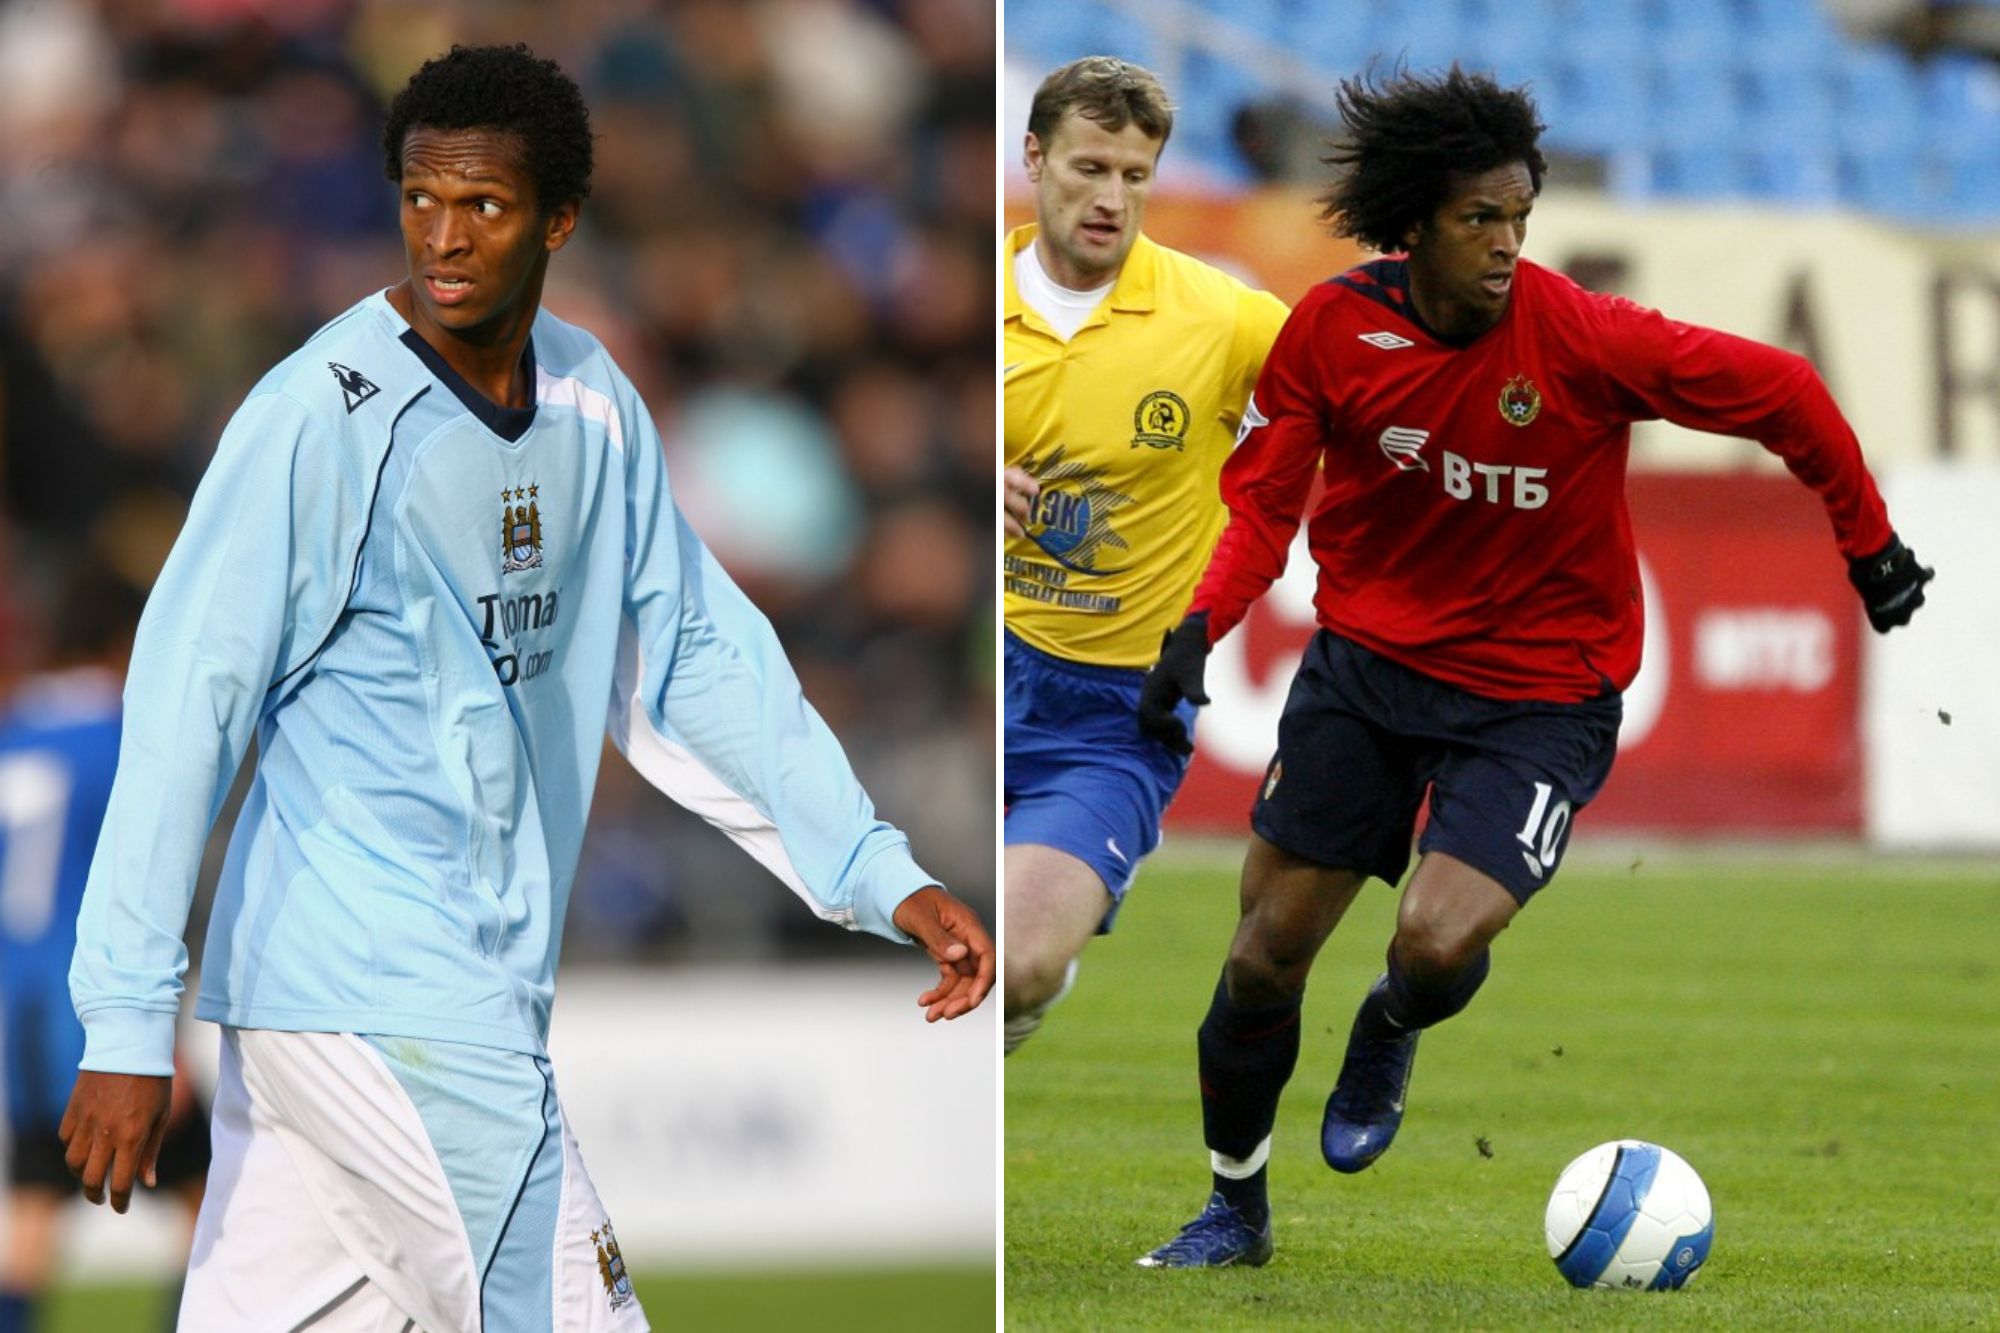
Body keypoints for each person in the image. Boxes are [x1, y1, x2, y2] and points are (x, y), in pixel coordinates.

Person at [60, 44, 993, 1331]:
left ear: (557, 217)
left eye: (483, 206)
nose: (442, 238)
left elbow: (687, 655)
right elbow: (186, 702)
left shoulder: (592, 400)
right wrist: (122, 1016)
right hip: (392, 997)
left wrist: (874, 865)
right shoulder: (318, 419)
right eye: (420, 200)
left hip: (357, 1012)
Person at [1134, 65, 1931, 1268]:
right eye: (1477, 221)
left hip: (1538, 691)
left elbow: (1784, 390)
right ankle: (1231, 1210)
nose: (1506, 246)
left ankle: (1391, 1021)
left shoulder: (1581, 337)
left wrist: (1864, 542)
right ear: (1412, 226)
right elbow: (1261, 510)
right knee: (1257, 959)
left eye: (1518, 219)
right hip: (1364, 668)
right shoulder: (1332, 332)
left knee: (1434, 940)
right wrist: (1199, 627)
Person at [1003, 57, 1288, 1055]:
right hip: (976, 673)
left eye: (1134, 175)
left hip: (1109, 714)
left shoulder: (1220, 317)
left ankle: (1028, 990)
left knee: (1017, 960)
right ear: (1033, 157)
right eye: (1088, 168)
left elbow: (1359, 389)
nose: (1110, 197)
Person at [1, 559, 210, 1333]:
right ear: (130, 638)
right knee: (210, 1198)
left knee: (29, 1214)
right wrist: (162, 1037)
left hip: (15, 1005)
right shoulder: (121, 734)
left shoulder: (14, 730)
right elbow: (141, 878)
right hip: (88, 1005)